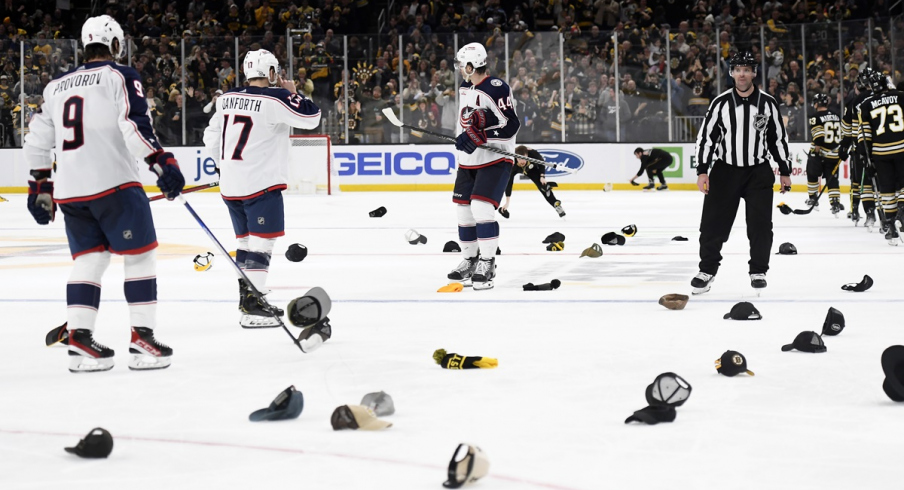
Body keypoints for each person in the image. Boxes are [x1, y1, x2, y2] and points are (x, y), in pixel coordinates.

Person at [24, 15, 184, 373]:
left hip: (70, 193)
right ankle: (142, 339)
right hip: (114, 185)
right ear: (115, 44)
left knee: (89, 260)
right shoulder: (120, 75)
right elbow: (134, 125)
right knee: (140, 256)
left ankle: (80, 341)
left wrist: (40, 188)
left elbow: (36, 142)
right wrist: (161, 162)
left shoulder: (55, 86)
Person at [203, 49, 322, 327]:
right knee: (262, 242)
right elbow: (311, 118)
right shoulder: (276, 98)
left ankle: (248, 296)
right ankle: (253, 304)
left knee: (244, 242)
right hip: (260, 183)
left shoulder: (227, 98)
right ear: (271, 73)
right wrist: (295, 93)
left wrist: (223, 167)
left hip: (231, 185)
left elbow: (211, 138)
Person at [691, 51, 793, 294]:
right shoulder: (720, 103)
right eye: (738, 69)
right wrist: (702, 171)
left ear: (754, 73)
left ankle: (758, 270)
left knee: (760, 225)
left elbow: (777, 139)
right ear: (732, 73)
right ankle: (707, 270)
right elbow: (706, 139)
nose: (743, 74)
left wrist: (785, 170)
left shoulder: (767, 103)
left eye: (747, 69)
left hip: (758, 171)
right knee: (712, 225)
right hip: (725, 171)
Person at [447, 43, 520, 290]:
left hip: (495, 158)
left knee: (481, 208)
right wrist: (466, 136)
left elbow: (511, 125)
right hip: (469, 160)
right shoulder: (465, 86)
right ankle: (470, 260)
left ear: (470, 66)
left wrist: (480, 136)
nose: (459, 68)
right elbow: (469, 121)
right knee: (463, 211)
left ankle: (487, 263)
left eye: (461, 64)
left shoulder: (496, 88)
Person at [856, 70, 904, 245]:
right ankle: (902, 212)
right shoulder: (901, 97)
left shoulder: (866, 104)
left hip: (881, 153)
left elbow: (864, 135)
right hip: (902, 149)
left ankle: (891, 226)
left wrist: (865, 158)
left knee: (887, 190)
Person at [839, 69, 876, 226]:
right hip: (883, 145)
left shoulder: (854, 102)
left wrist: (844, 146)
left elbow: (847, 129)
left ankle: (869, 213)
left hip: (861, 147)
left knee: (863, 181)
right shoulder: (883, 97)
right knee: (886, 182)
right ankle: (893, 215)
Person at [500, 145, 565, 218]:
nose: (522, 161)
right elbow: (509, 183)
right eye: (519, 159)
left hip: (531, 169)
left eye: (524, 158)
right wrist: (507, 202)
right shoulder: (511, 162)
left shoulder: (533, 153)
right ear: (515, 157)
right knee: (503, 182)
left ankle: (556, 205)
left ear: (527, 155)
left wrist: (542, 177)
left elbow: (542, 163)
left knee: (543, 187)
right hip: (516, 169)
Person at [806, 93, 844, 215]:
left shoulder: (815, 117)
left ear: (816, 104)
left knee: (812, 174)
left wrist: (816, 152)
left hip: (822, 153)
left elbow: (819, 138)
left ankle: (813, 199)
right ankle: (835, 203)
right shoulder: (836, 115)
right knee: (832, 179)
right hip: (835, 153)